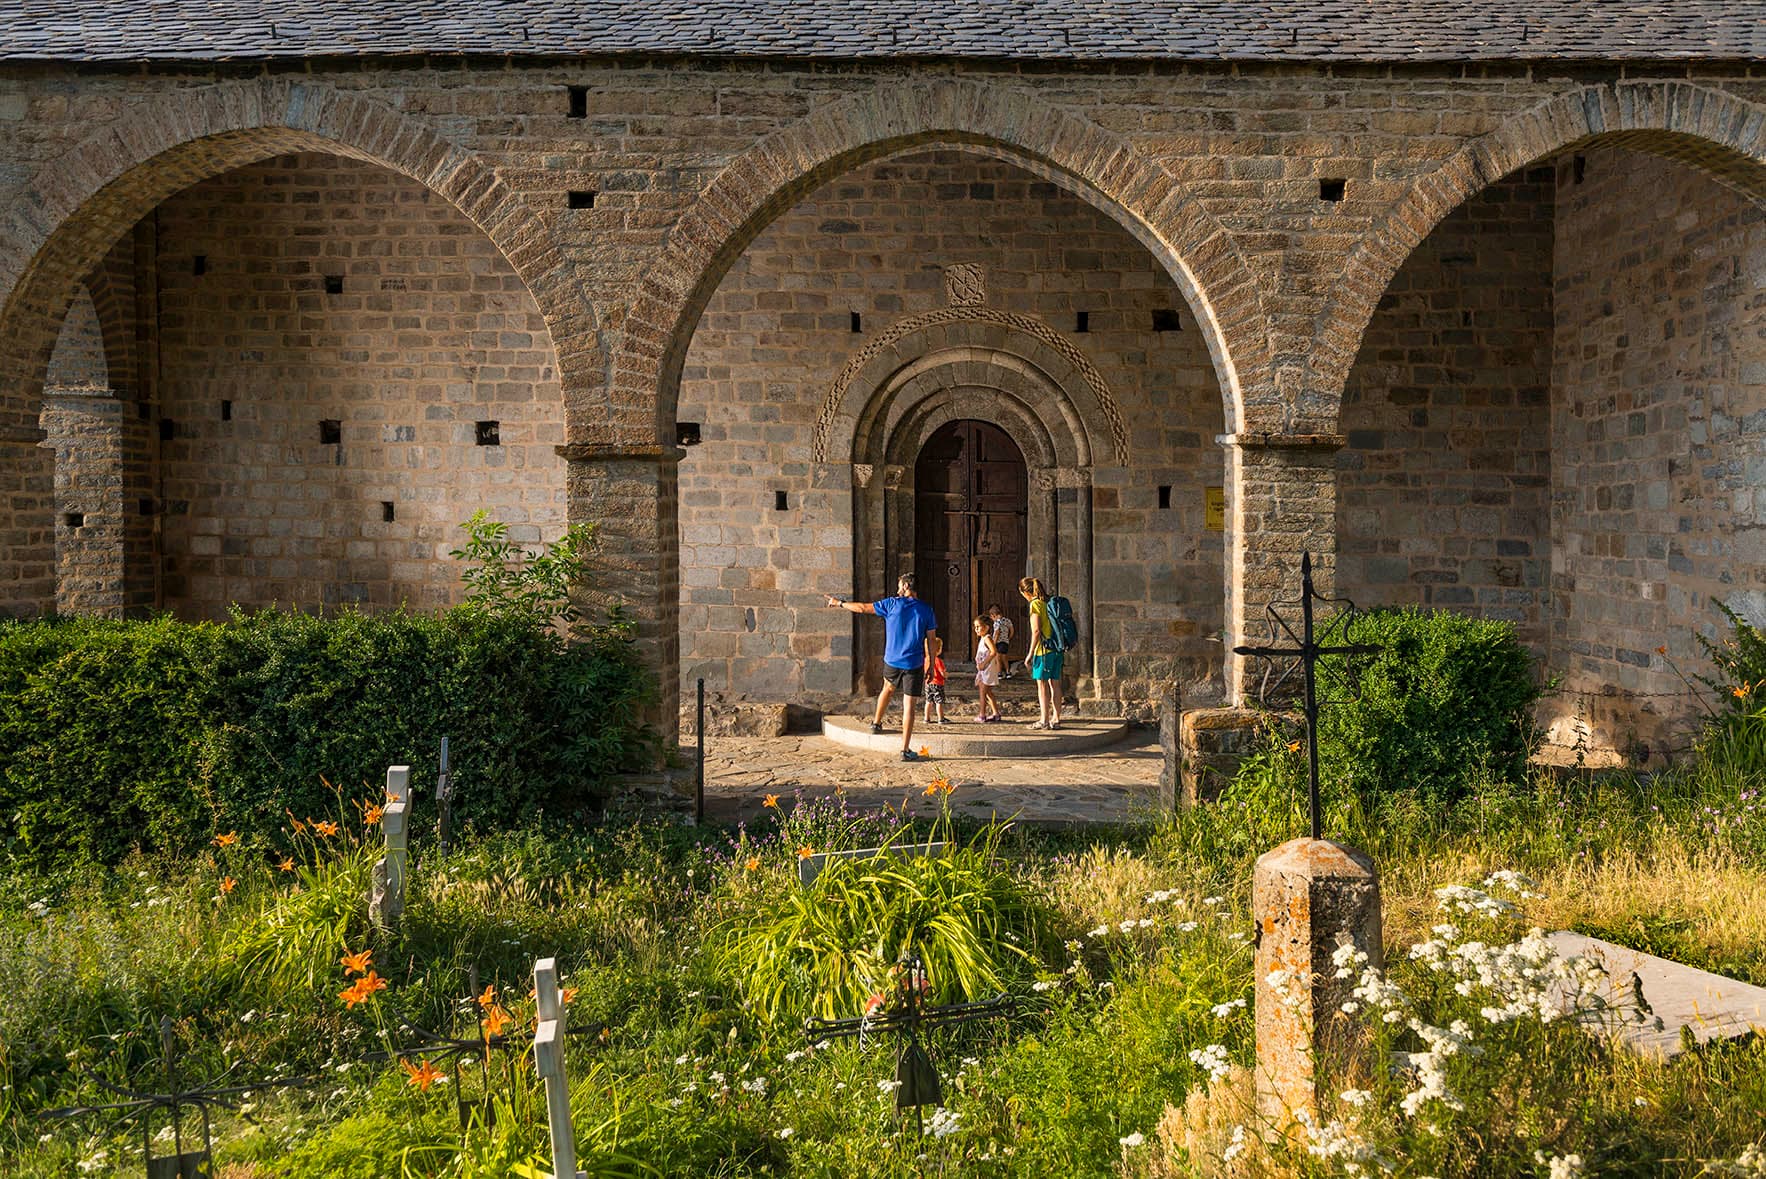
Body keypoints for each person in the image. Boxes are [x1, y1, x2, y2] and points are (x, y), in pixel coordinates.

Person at [826, 573, 938, 761]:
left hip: (892, 661)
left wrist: (839, 603)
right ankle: (904, 750)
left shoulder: (892, 604)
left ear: (906, 586)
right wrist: (931, 664)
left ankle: (876, 723)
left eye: (899, 585)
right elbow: (932, 640)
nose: (897, 589)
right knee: (909, 706)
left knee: (888, 687)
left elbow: (862, 608)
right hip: (914, 663)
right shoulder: (927, 610)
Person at [1019, 576, 1063, 730]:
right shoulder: (1048, 602)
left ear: (1025, 592)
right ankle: (1056, 719)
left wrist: (1030, 654)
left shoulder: (1035, 604)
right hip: (1057, 649)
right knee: (1055, 683)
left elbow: (1036, 631)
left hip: (1043, 651)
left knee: (1042, 685)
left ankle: (1044, 720)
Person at [972, 615, 1003, 723]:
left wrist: (984, 663)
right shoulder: (982, 639)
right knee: (988, 692)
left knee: (982, 692)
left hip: (987, 668)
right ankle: (996, 713)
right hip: (983, 669)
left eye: (978, 627)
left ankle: (982, 714)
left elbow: (993, 651)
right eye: (975, 627)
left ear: (986, 627)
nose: (976, 629)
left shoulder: (987, 638)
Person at [923, 634, 948, 726]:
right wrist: (945, 675)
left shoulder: (926, 659)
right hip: (938, 683)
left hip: (928, 684)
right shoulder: (938, 660)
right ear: (938, 650)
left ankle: (926, 718)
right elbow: (942, 672)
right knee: (939, 701)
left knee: (928, 701)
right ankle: (941, 718)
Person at [988, 604, 1015, 678]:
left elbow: (997, 633)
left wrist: (993, 643)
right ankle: (1008, 672)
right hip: (1005, 642)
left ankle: (999, 673)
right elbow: (1012, 630)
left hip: (998, 643)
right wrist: (1008, 638)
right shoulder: (1007, 621)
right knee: (1004, 658)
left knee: (998, 658)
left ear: (993, 615)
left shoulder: (996, 623)